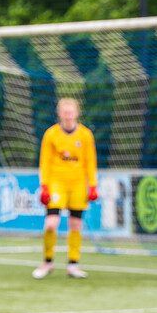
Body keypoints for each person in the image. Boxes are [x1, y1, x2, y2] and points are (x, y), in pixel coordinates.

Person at [32, 98, 98, 279]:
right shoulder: (51, 134)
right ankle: (47, 261)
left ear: (77, 113)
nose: (68, 115)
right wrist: (44, 185)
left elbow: (90, 162)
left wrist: (92, 185)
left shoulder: (85, 135)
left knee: (76, 225)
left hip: (77, 184)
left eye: (71, 112)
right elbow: (44, 162)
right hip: (56, 183)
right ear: (59, 114)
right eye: (65, 112)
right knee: (51, 224)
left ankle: (73, 264)